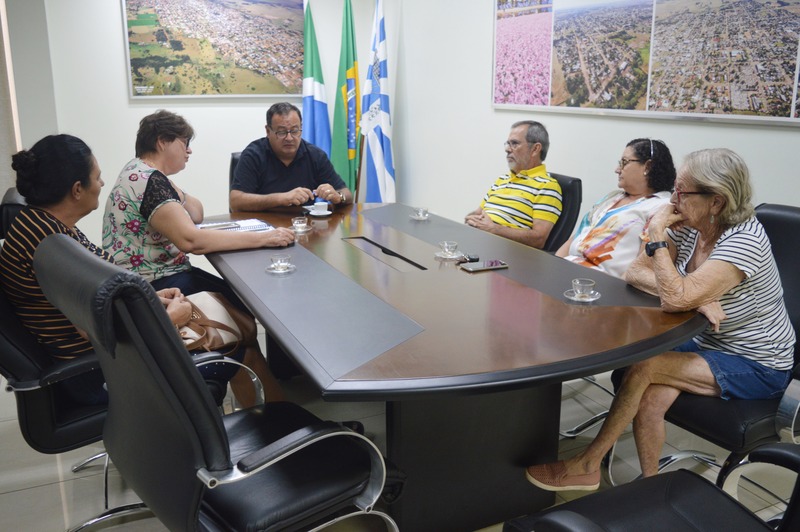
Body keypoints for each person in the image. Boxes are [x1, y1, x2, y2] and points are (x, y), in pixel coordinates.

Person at [526, 148, 795, 491]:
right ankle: (649, 488)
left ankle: (587, 463)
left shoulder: (743, 242)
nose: (674, 198)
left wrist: (660, 248)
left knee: (645, 368)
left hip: (757, 361)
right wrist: (692, 296)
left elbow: (674, 296)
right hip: (707, 339)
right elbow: (634, 272)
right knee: (646, 384)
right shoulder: (692, 223)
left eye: (683, 191)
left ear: (717, 201)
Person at [0, 135, 226, 405]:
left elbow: (92, 303)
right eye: (97, 178)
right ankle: (217, 440)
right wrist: (170, 319)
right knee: (226, 358)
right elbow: (97, 328)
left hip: (99, 359)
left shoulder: (41, 223)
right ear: (77, 190)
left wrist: (150, 299)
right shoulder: (51, 246)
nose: (102, 184)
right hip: (99, 374)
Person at [102, 110, 294, 405]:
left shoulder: (142, 172)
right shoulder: (148, 181)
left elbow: (197, 213)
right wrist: (264, 237)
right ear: (163, 142)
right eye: (184, 142)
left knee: (241, 316)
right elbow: (192, 240)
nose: (189, 150)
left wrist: (170, 182)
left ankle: (265, 413)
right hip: (159, 288)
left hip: (151, 280)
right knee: (242, 322)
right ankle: (277, 420)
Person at [556, 138, 676, 278]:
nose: (617, 170)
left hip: (598, 284)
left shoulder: (660, 207)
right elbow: (578, 236)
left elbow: (642, 266)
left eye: (624, 162)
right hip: (567, 272)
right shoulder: (613, 198)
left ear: (647, 167)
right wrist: (554, 266)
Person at [229, 102, 353, 212]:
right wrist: (282, 198)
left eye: (294, 131)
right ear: (268, 131)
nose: (289, 138)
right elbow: (235, 202)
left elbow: (347, 194)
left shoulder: (315, 155)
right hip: (262, 228)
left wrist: (338, 197)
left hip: (304, 227)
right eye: (282, 132)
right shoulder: (254, 154)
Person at [465, 120, 562, 249]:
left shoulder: (547, 186)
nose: (507, 150)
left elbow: (538, 239)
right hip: (476, 242)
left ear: (535, 149)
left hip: (505, 256)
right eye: (508, 144)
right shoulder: (502, 179)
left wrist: (494, 229)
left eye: (514, 144)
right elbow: (477, 213)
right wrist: (470, 219)